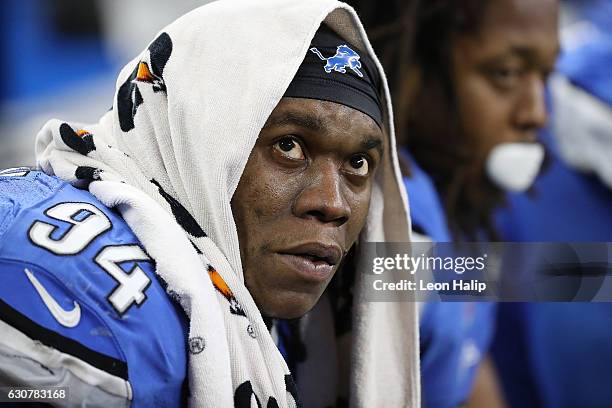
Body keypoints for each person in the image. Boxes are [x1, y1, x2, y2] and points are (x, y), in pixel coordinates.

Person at [0, 1, 419, 406]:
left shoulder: (310, 301)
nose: (332, 204)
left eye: (359, 163)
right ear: (197, 139)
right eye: (288, 147)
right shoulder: (71, 285)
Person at [347, 0, 559, 406]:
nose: (537, 113)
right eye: (506, 73)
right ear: (412, 68)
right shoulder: (385, 225)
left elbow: (467, 373)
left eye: (545, 75)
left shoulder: (465, 211)